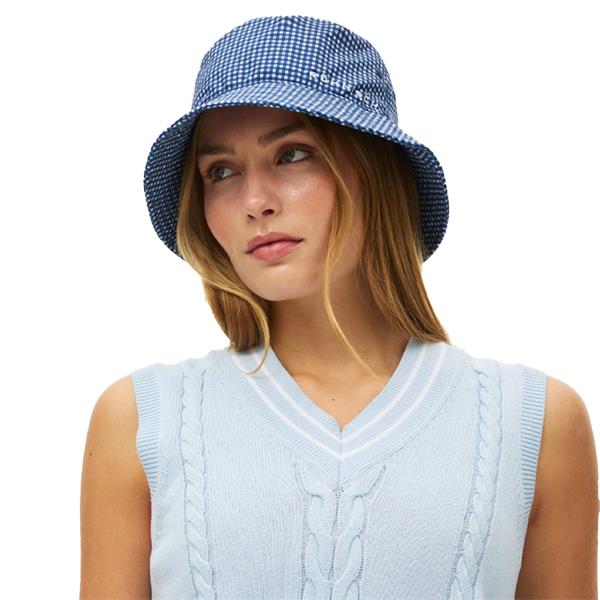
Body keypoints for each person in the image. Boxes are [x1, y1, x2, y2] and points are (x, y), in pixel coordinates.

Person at [80, 15, 598, 599]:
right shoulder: (143, 420)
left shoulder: (533, 422)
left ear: (375, 169)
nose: (254, 201)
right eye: (220, 171)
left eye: (292, 154)